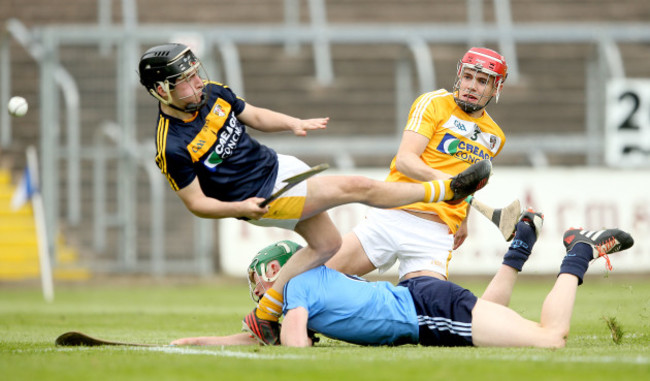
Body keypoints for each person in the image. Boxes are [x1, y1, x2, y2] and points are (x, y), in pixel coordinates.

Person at [137, 43, 493, 345]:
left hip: (280, 168)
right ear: (161, 90)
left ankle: (262, 321)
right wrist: (240, 207)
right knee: (358, 187)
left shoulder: (212, 92)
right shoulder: (172, 145)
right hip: (259, 195)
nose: (198, 84)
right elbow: (197, 204)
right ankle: (446, 188)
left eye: (196, 74)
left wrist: (292, 122)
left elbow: (252, 114)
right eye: (186, 82)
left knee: (327, 246)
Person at [170, 209, 634, 348]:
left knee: (550, 338)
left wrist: (288, 344)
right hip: (423, 304)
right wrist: (191, 344)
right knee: (495, 320)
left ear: (276, 270)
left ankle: (579, 252)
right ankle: (519, 248)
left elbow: (293, 344)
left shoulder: (295, 288)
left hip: (423, 311)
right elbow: (257, 336)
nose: (256, 292)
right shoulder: (305, 285)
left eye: (259, 280)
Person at [326, 47, 509, 283]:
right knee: (322, 277)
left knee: (428, 311)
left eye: (482, 81)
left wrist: (463, 220)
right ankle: (269, 316)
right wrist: (450, 183)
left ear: (497, 88)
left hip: (435, 235)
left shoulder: (495, 137)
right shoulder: (433, 103)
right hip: (394, 215)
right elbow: (405, 160)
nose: (472, 86)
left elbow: (470, 181)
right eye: (467, 77)